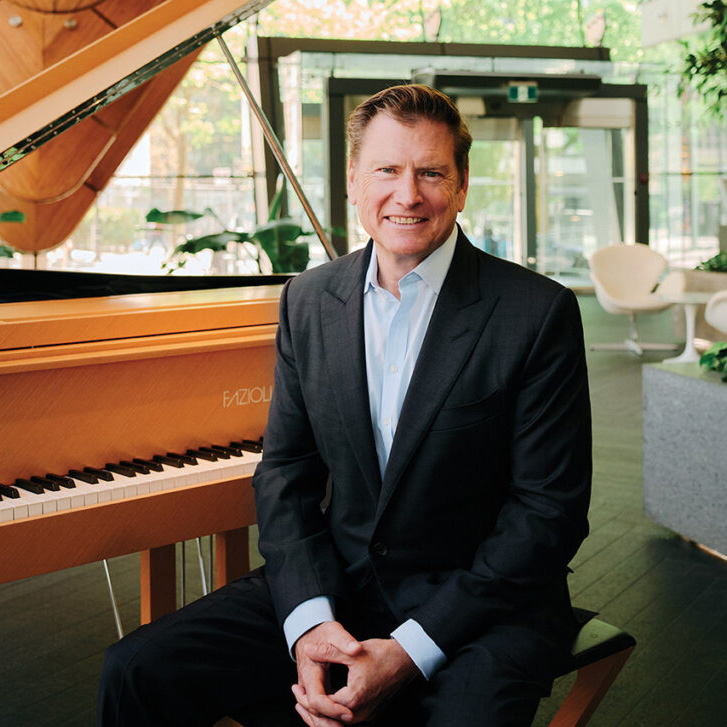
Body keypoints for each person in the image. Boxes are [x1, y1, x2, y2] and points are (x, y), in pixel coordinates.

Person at [98, 84, 591, 727]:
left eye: (431, 172)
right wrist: (309, 623)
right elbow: (285, 474)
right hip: (341, 585)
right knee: (136, 671)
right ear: (355, 183)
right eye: (386, 170)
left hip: (483, 602)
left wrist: (412, 650)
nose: (407, 194)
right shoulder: (308, 300)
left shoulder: (537, 312)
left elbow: (547, 514)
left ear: (462, 185)